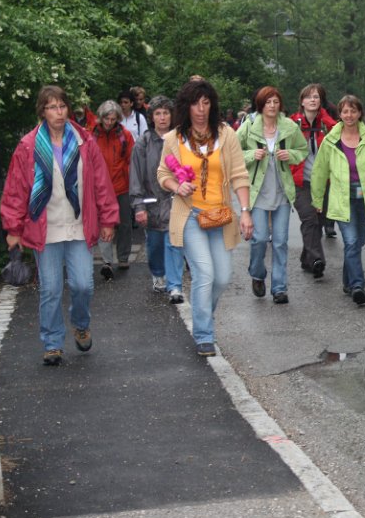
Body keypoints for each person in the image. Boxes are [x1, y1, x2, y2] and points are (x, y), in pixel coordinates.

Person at [0, 85, 119, 365]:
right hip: (45, 227)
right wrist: (13, 229)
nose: (59, 112)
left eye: (62, 106)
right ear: (42, 111)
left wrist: (108, 219)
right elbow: (16, 190)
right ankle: (52, 342)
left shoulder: (84, 141)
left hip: (78, 225)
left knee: (83, 285)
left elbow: (101, 183)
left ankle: (80, 324)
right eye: (52, 107)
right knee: (50, 289)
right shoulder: (28, 146)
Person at [157, 79, 253, 356]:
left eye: (206, 103)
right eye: (195, 103)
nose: (201, 109)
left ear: (212, 105)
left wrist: (245, 212)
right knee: (204, 274)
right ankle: (203, 335)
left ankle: (203, 316)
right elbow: (162, 174)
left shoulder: (226, 135)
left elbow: (239, 174)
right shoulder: (174, 138)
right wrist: (177, 186)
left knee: (222, 277)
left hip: (220, 215)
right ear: (185, 107)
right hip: (190, 215)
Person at [310, 94, 365, 306]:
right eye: (345, 111)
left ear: (359, 113)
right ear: (340, 114)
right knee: (351, 241)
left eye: (353, 111)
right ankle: (358, 286)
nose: (349, 115)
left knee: (358, 242)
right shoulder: (330, 140)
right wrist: (318, 199)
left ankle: (348, 281)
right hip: (341, 198)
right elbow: (320, 171)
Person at [237, 86, 308, 304]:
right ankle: (257, 274)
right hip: (257, 192)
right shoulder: (249, 126)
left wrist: (291, 154)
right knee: (258, 239)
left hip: (282, 191)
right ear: (260, 104)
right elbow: (232, 152)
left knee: (280, 241)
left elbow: (303, 150)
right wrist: (251, 154)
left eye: (276, 102)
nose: (272, 106)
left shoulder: (289, 126)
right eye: (268, 102)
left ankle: (279, 288)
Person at [130, 95, 186, 303]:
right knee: (154, 245)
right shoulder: (143, 143)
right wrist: (138, 206)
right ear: (152, 117)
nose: (162, 118)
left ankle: (175, 285)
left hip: (177, 201)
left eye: (166, 113)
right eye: (158, 113)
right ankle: (158, 274)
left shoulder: (181, 139)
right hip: (152, 202)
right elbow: (136, 176)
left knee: (174, 243)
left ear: (172, 115)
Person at [290, 83, 336, 278]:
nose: (313, 100)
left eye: (316, 97)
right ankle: (317, 259)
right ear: (302, 101)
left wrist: (325, 118)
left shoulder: (327, 124)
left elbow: (340, 138)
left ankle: (306, 258)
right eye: (309, 97)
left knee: (319, 220)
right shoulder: (292, 124)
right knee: (309, 218)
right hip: (300, 182)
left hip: (323, 183)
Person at [93, 99, 135, 279]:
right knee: (104, 223)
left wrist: (128, 178)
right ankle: (107, 261)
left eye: (113, 119)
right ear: (101, 118)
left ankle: (123, 257)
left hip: (121, 186)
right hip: (100, 188)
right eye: (106, 119)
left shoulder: (125, 135)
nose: (109, 122)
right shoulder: (92, 136)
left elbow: (130, 159)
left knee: (125, 223)